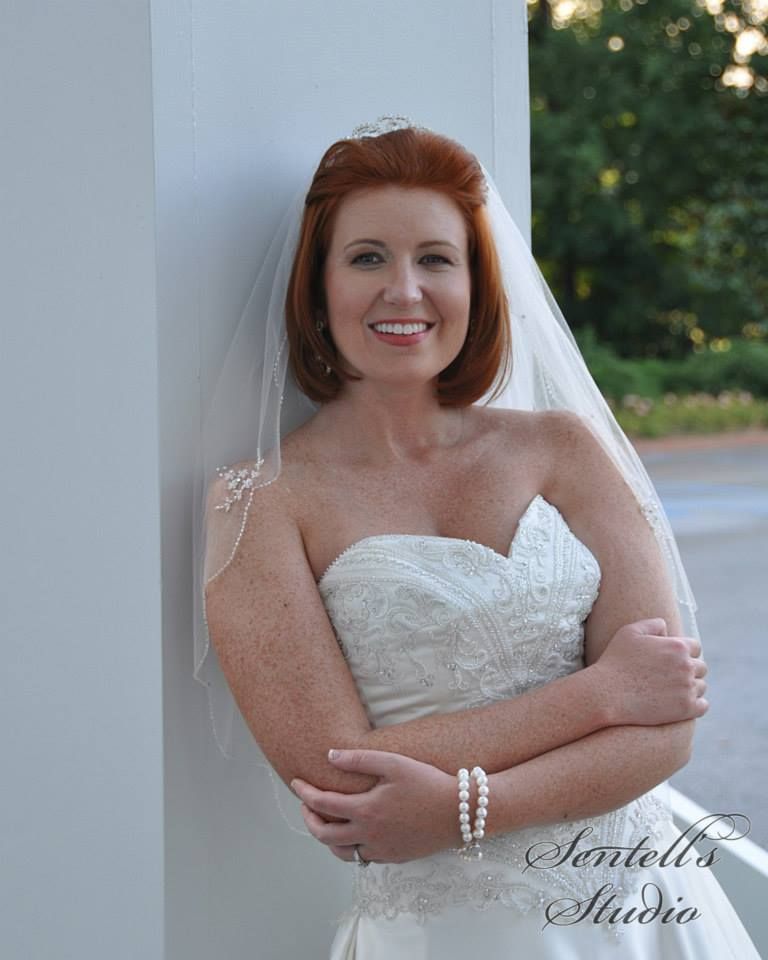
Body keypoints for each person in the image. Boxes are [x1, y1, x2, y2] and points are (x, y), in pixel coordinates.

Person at [197, 119, 760, 958]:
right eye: (366, 258)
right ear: (316, 288)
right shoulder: (262, 501)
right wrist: (597, 697)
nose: (405, 289)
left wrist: (461, 808)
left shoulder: (563, 448)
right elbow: (339, 779)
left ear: (475, 282)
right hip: (449, 932)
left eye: (435, 258)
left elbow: (667, 723)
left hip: (646, 911)